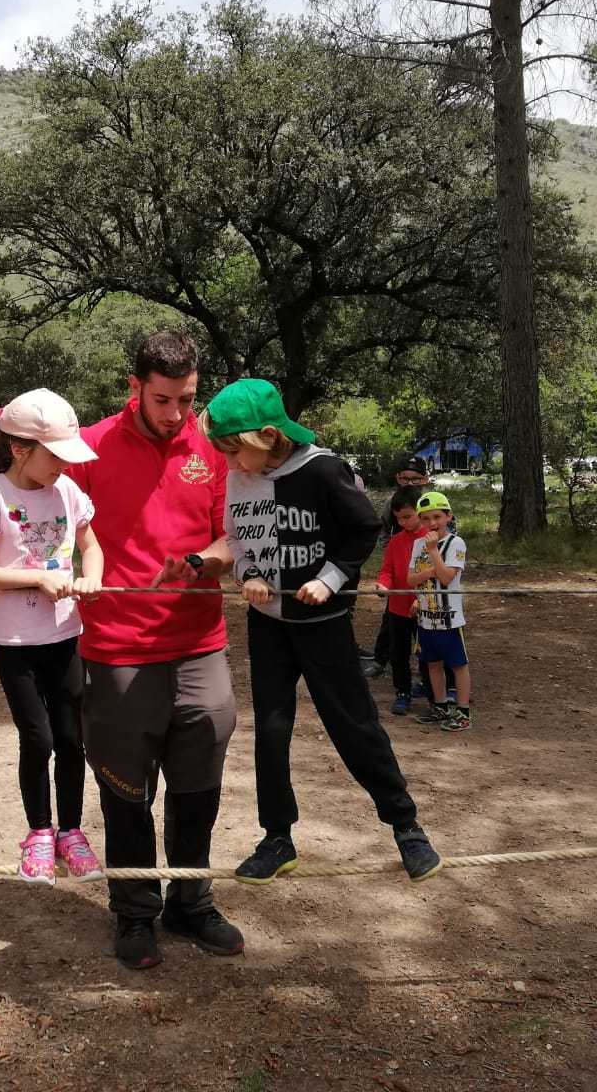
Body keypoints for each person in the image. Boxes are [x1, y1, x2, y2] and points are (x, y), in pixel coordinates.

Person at [198, 378, 445, 887]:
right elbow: (238, 540)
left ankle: (406, 826)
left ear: (269, 436)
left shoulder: (325, 470)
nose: (230, 463)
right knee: (270, 730)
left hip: (323, 625)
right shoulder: (241, 477)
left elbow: (363, 529)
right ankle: (277, 837)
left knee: (353, 723)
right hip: (269, 625)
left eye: (235, 451)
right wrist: (249, 575)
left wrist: (330, 579)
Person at [69, 331, 242, 970]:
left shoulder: (213, 447)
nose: (176, 414)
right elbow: (48, 525)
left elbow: (233, 537)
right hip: (116, 647)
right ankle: (135, 911)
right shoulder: (87, 447)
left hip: (199, 643)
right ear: (135, 387)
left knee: (199, 781)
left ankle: (192, 903)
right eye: (163, 399)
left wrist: (200, 562)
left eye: (187, 399)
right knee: (125, 789)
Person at [0, 389, 107, 886]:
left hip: (65, 634)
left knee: (71, 737)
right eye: (55, 456)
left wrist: (91, 578)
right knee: (38, 738)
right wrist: (37, 578)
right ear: (20, 449)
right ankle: (39, 833)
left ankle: (71, 832)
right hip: (16, 641)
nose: (64, 466)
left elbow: (91, 547)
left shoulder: (68, 493)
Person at [404, 490, 473, 731]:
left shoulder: (456, 543)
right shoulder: (417, 544)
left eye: (437, 517)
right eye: (425, 518)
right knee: (432, 663)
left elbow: (446, 577)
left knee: (457, 664)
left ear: (448, 516)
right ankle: (440, 706)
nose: (432, 523)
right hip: (426, 617)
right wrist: (428, 572)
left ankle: (463, 712)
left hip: (449, 618)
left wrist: (433, 551)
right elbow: (410, 580)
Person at [362, 454, 430, 680]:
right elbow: (383, 527)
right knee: (391, 623)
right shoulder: (393, 503)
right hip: (399, 578)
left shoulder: (433, 501)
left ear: (425, 479)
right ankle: (382, 660)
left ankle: (432, 674)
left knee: (427, 631)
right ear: (398, 478)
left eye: (416, 479)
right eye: (405, 478)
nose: (410, 483)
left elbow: (448, 529)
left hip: (426, 582)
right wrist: (390, 548)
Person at [373, 485, 431, 717]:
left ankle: (431, 688)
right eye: (398, 518)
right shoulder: (396, 541)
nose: (403, 522)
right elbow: (387, 570)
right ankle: (402, 692)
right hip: (397, 608)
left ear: (419, 512)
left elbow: (434, 575)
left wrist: (421, 598)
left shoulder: (430, 540)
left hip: (424, 609)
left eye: (408, 516)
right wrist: (383, 584)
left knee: (426, 652)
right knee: (398, 653)